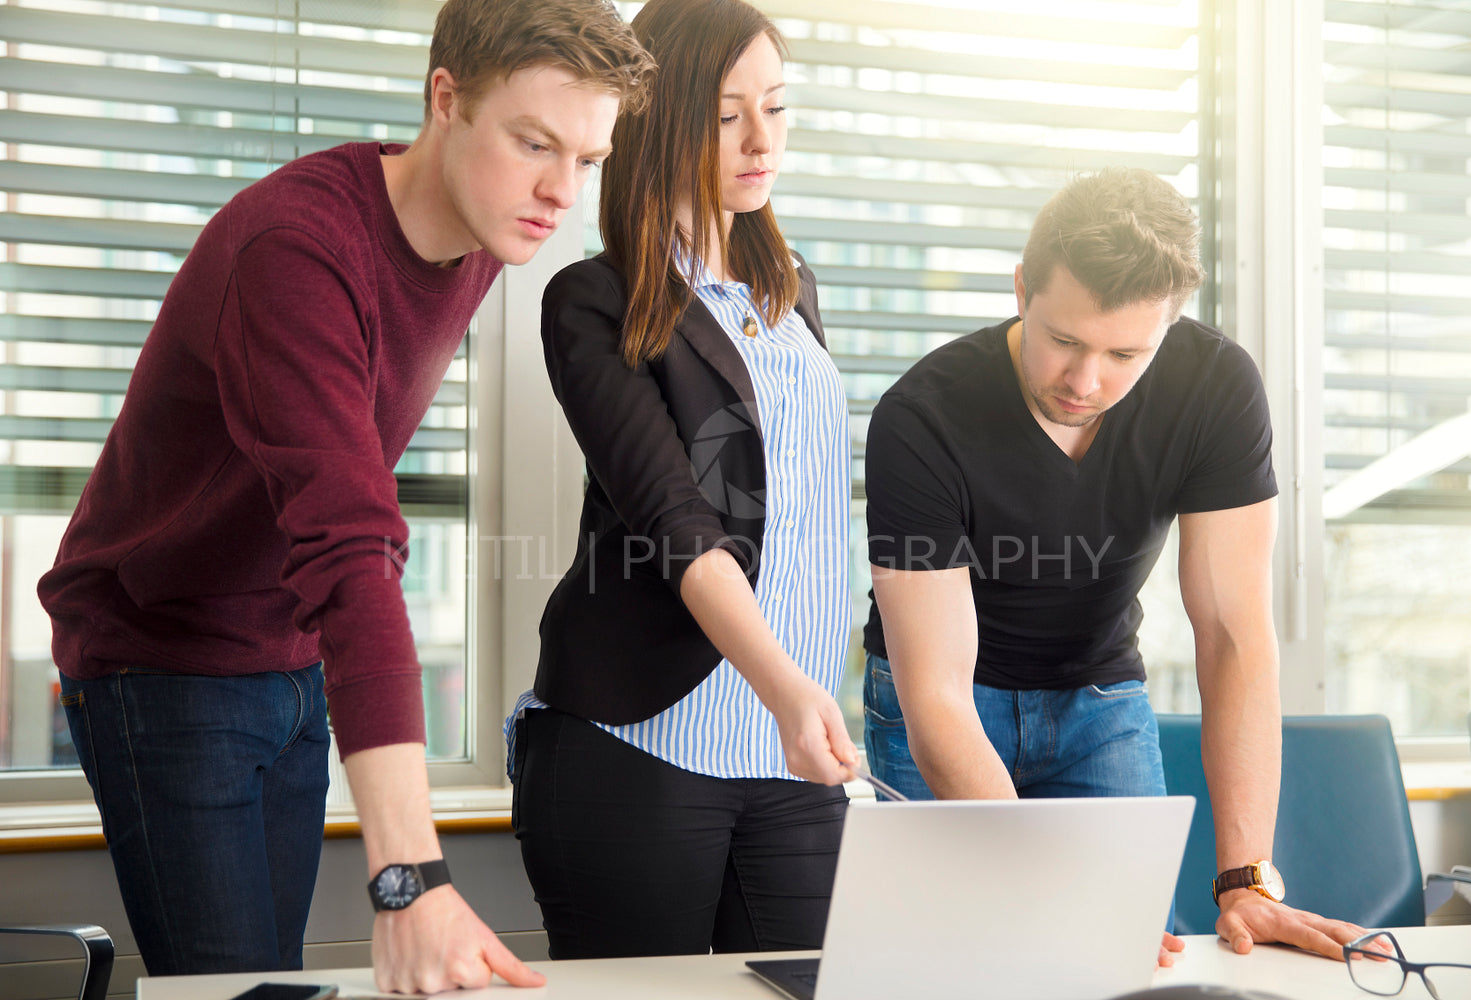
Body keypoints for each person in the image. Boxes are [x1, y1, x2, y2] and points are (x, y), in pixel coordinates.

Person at [36, 0, 651, 992]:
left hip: (292, 653)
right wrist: (411, 878)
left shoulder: (488, 229)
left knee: (276, 983)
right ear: (444, 98)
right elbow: (353, 540)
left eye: (588, 159)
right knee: (235, 988)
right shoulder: (296, 250)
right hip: (164, 655)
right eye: (535, 142)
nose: (560, 192)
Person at [861, 168, 1365, 965]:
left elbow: (1234, 635)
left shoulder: (1214, 389)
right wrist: (1050, 892)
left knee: (1125, 961)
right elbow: (937, 694)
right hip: (949, 703)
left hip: (1098, 699)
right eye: (1064, 340)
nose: (1085, 382)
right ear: (1023, 288)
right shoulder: (922, 417)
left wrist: (1246, 880)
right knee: (961, 961)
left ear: (1169, 325)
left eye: (1126, 353)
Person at [505, 0, 858, 961]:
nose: (760, 140)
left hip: (791, 750)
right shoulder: (595, 300)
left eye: (776, 109)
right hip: (644, 741)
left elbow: (808, 516)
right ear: (659, 122)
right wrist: (789, 691)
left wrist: (808, 697)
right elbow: (676, 521)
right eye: (725, 113)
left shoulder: (792, 290)